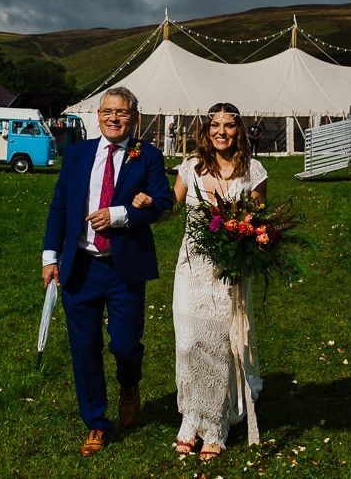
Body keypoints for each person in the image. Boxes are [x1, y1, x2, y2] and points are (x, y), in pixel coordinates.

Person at [41, 86, 173, 457]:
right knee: (84, 349)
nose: (114, 118)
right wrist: (50, 257)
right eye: (107, 112)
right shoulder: (78, 154)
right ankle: (96, 423)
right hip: (80, 266)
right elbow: (60, 207)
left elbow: (163, 203)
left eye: (122, 113)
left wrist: (123, 214)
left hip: (123, 266)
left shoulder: (146, 155)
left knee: (125, 344)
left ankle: (130, 382)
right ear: (97, 116)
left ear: (135, 118)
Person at [134, 102, 267, 461]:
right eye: (215, 126)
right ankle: (190, 417)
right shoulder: (192, 166)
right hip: (191, 266)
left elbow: (258, 221)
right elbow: (172, 206)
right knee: (189, 343)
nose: (221, 132)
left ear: (239, 130)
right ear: (206, 131)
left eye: (229, 125)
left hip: (228, 271)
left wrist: (244, 235)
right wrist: (149, 204)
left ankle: (214, 426)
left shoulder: (252, 170)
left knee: (220, 344)